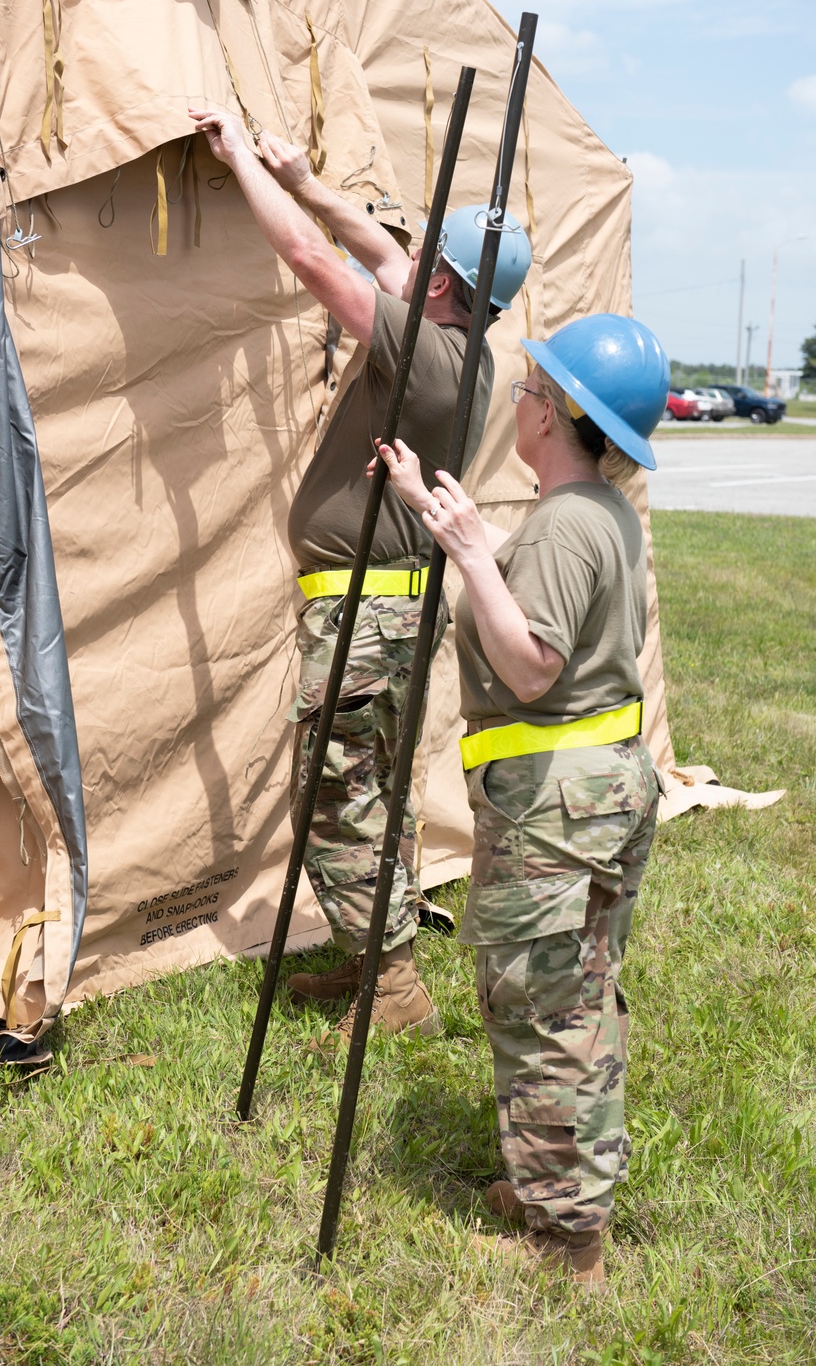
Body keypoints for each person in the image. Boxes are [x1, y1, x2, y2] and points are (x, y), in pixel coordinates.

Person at [190, 106, 531, 1039]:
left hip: (365, 623)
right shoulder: (461, 345)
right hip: (392, 614)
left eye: (425, 257)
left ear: (447, 286)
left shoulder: (424, 354)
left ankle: (393, 988)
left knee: (337, 794)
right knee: (379, 792)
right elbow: (380, 255)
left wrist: (240, 164)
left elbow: (315, 263)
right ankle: (371, 959)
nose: (403, 255)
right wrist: (301, 176)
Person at [375, 314, 670, 1286]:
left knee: (544, 1006)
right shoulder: (595, 517)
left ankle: (563, 1236)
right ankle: (554, 1178)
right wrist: (447, 517)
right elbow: (543, 575)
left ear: (556, 415)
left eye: (529, 391)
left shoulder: (564, 523)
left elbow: (534, 663)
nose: (518, 402)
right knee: (577, 995)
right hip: (597, 794)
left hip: (553, 805)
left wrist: (465, 555)